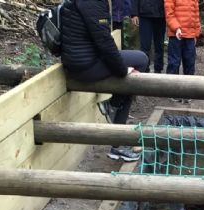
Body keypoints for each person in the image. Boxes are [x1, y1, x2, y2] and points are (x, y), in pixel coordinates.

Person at [60, 0, 149, 162]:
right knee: (141, 60)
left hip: (78, 60)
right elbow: (105, 42)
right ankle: (114, 112)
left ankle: (116, 127)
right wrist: (123, 70)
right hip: (86, 65)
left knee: (131, 70)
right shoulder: (93, 3)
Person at [164, 0, 201, 77]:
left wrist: (196, 34)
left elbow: (196, 14)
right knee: (174, 64)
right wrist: (176, 28)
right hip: (175, 35)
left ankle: (189, 84)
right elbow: (169, 13)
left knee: (190, 64)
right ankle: (171, 84)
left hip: (190, 35)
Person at [130, 0, 166, 73]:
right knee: (145, 46)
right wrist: (134, 14)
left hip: (161, 14)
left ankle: (158, 69)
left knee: (159, 45)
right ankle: (145, 69)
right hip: (145, 14)